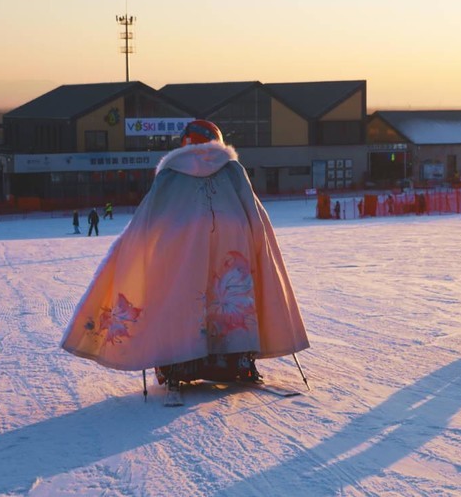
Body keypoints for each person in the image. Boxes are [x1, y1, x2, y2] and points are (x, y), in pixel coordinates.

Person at [61, 119, 310, 395]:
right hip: (232, 238)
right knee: (232, 294)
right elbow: (255, 214)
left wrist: (136, 252)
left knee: (181, 293)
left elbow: (148, 220)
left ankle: (182, 363)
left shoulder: (171, 173)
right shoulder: (232, 169)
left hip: (179, 242)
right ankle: (237, 358)